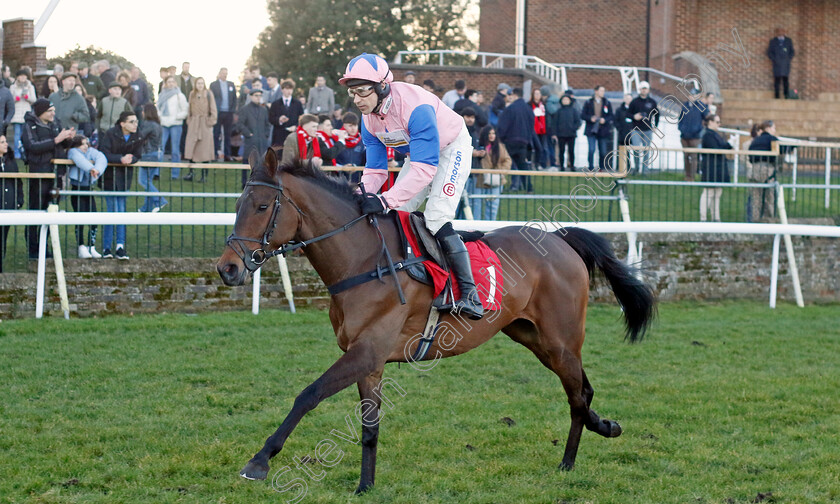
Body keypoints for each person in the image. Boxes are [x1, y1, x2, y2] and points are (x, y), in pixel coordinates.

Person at [340, 53, 484, 319]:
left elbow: (425, 169)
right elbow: (375, 170)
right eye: (353, 93)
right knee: (397, 214)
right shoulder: (368, 118)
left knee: (436, 217)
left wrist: (384, 199)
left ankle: (470, 295)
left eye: (362, 92)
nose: (357, 100)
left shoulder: (415, 107)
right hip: (419, 157)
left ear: (382, 86)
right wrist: (362, 194)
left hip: (451, 149)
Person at [22, 98, 75, 259]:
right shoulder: (29, 126)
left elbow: (59, 146)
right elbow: (32, 146)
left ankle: (45, 248)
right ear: (41, 113)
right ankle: (33, 249)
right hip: (39, 174)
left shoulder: (55, 124)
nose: (53, 113)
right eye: (50, 111)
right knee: (35, 212)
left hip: (56, 175)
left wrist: (68, 139)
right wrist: (56, 139)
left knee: (51, 212)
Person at [99, 111, 144, 259]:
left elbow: (138, 154)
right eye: (131, 122)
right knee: (111, 212)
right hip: (110, 178)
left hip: (124, 179)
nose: (135, 125)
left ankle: (120, 246)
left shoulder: (137, 136)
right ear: (122, 123)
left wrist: (131, 159)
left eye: (136, 121)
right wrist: (120, 159)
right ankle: (106, 248)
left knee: (121, 212)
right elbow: (103, 153)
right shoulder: (111, 134)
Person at [66, 135, 106, 258]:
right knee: (80, 219)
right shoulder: (73, 151)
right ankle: (81, 246)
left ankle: (91, 246)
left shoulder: (90, 152)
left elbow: (101, 157)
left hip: (88, 189)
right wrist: (91, 168)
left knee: (93, 217)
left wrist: (97, 170)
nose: (85, 146)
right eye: (82, 144)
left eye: (86, 143)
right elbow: (79, 160)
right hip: (77, 190)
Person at [497, 87, 536, 193]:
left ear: (514, 95)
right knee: (522, 165)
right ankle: (528, 187)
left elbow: (503, 126)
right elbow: (532, 125)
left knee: (504, 163)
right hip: (523, 141)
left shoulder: (510, 108)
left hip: (510, 140)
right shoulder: (528, 109)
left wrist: (500, 138)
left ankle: (500, 186)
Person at [747, 120, 786, 222]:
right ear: (768, 128)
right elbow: (783, 148)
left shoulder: (755, 140)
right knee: (769, 197)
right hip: (767, 170)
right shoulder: (771, 139)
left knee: (756, 197)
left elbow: (750, 155)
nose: (775, 130)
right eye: (774, 128)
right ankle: (768, 220)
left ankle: (754, 220)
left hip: (754, 169)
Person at [472, 125, 510, 221]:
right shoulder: (479, 146)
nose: (492, 135)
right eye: (489, 133)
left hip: (496, 179)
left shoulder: (500, 147)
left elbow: (507, 160)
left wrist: (500, 172)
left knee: (493, 206)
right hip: (480, 179)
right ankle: (476, 227)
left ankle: (490, 226)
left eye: (493, 133)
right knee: (477, 204)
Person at [183, 77, 217, 182]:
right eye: (198, 83)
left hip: (204, 124)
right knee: (191, 148)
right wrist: (189, 120)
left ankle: (204, 176)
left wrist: (210, 122)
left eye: (202, 83)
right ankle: (191, 173)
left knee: (205, 150)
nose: (200, 85)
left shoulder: (208, 94)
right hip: (194, 124)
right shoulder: (192, 94)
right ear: (195, 84)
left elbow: (213, 109)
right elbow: (189, 109)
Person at [699, 115, 731, 222]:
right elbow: (716, 148)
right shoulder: (708, 135)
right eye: (717, 122)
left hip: (718, 168)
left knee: (717, 194)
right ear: (710, 122)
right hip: (711, 168)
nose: (719, 124)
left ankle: (715, 217)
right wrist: (728, 145)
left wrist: (729, 145)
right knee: (708, 193)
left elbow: (721, 146)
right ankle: (703, 218)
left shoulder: (715, 134)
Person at [0, 134, 25, 272]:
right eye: (2, 142)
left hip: (8, 205)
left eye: (5, 142)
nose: (6, 144)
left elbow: (18, 183)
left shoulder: (10, 162)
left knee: (3, 239)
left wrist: (19, 200)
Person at [157, 75, 188, 179]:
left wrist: (177, 117)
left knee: (175, 150)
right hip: (164, 124)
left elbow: (185, 110)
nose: (170, 84)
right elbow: (158, 108)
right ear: (165, 83)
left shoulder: (180, 95)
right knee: (160, 149)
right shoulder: (161, 95)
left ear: (175, 83)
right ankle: (156, 172)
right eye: (168, 82)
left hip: (175, 124)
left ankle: (175, 174)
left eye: (172, 82)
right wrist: (160, 117)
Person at [237, 88, 270, 186]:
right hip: (250, 141)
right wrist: (248, 134)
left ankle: (260, 183)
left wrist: (266, 135)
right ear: (251, 96)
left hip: (262, 142)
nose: (258, 97)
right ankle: (244, 183)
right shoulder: (245, 109)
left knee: (261, 163)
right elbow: (240, 124)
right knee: (248, 162)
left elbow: (267, 124)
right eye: (256, 95)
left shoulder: (263, 110)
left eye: (260, 96)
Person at [137, 104, 166, 213]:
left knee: (143, 181)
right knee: (148, 182)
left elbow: (139, 137)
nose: (142, 113)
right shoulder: (157, 124)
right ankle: (146, 208)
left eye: (143, 111)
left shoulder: (148, 124)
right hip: (157, 154)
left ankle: (160, 200)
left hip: (148, 155)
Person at [678, 88, 710, 181]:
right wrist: (681, 129)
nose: (692, 97)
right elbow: (680, 119)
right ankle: (687, 175)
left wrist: (699, 130)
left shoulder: (701, 106)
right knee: (686, 157)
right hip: (684, 136)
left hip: (695, 137)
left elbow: (707, 117)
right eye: (691, 95)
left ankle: (692, 176)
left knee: (694, 157)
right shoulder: (685, 106)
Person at [627, 81, 659, 174]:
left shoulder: (652, 102)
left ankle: (645, 171)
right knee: (636, 150)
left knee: (646, 151)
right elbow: (627, 114)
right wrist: (634, 116)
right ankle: (636, 168)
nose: (644, 90)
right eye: (642, 88)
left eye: (645, 88)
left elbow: (657, 114)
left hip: (647, 130)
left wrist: (655, 126)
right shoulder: (634, 102)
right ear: (639, 90)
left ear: (648, 90)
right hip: (636, 129)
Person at [582, 85, 614, 172]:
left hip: (602, 129)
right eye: (601, 90)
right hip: (591, 129)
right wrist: (590, 118)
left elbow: (611, 116)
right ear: (596, 91)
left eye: (603, 91)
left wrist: (605, 120)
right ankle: (591, 167)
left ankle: (601, 168)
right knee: (591, 149)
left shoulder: (607, 103)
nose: (602, 93)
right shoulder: (588, 102)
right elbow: (583, 115)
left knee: (603, 151)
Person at [210, 67, 237, 161]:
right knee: (216, 134)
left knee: (227, 135)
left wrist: (232, 110)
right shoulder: (213, 85)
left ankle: (227, 155)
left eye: (226, 73)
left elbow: (234, 98)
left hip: (228, 113)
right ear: (219, 73)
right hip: (218, 113)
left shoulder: (231, 84)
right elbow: (211, 99)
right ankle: (214, 154)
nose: (224, 75)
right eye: (223, 73)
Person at [9, 70, 37, 159]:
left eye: (24, 76)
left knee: (25, 134)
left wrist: (27, 97)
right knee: (17, 133)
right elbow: (9, 100)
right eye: (21, 76)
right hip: (16, 114)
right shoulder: (13, 87)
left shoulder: (30, 87)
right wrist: (16, 98)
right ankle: (16, 152)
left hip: (26, 113)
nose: (22, 78)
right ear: (17, 77)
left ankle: (24, 151)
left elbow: (34, 100)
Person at [269, 79, 303, 151]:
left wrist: (296, 126)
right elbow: (270, 118)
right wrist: (279, 120)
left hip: (293, 135)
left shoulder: (297, 103)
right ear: (282, 90)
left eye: (291, 89)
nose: (289, 91)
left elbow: (301, 118)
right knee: (278, 156)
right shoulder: (275, 104)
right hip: (279, 135)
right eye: (287, 88)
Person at [552, 93, 582, 171]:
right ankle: (561, 166)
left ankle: (572, 165)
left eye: (567, 100)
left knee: (571, 151)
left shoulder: (574, 111)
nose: (565, 101)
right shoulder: (559, 111)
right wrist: (555, 133)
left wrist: (573, 128)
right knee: (561, 151)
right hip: (561, 134)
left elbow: (578, 122)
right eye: (564, 99)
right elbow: (555, 123)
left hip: (571, 134)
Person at [767, 28, 794, 99]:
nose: (781, 32)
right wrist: (774, 59)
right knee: (777, 80)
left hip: (785, 64)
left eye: (782, 31)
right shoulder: (773, 41)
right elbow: (769, 52)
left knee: (785, 80)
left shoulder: (788, 41)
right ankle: (777, 96)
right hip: (777, 64)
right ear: (776, 32)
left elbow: (792, 52)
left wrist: (788, 59)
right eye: (779, 31)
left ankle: (786, 95)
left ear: (785, 32)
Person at [528, 88, 549, 170]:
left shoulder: (543, 105)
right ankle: (530, 163)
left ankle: (537, 163)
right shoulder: (529, 105)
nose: (537, 95)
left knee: (540, 148)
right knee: (530, 147)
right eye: (535, 93)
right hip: (532, 129)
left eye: (538, 94)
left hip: (541, 130)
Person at [614, 93, 634, 173]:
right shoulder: (619, 110)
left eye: (630, 99)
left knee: (630, 151)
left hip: (632, 134)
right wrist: (620, 129)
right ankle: (621, 168)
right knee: (621, 151)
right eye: (627, 98)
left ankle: (629, 168)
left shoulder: (634, 110)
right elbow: (616, 121)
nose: (628, 100)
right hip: (622, 134)